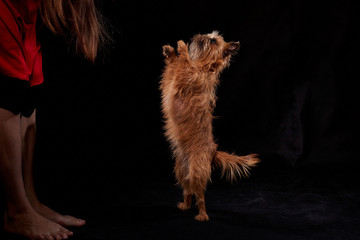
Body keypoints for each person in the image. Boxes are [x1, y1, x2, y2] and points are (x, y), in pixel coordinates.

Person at [0, 0, 107, 239]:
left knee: (30, 84)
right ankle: (17, 211)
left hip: (25, 8)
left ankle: (29, 201)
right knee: (10, 87)